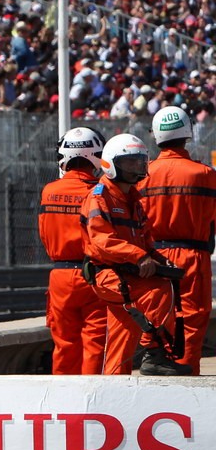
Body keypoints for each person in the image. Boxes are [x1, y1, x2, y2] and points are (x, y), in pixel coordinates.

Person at [80, 134, 189, 376]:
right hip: (107, 273)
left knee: (124, 332)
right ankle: (155, 355)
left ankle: (113, 385)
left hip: (124, 272)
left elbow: (144, 240)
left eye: (140, 161)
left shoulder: (134, 200)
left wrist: (160, 260)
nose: (138, 166)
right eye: (130, 162)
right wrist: (139, 257)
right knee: (159, 291)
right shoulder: (99, 196)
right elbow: (102, 241)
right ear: (111, 164)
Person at [137, 105, 216, 374]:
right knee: (192, 319)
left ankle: (161, 372)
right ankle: (187, 379)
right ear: (187, 133)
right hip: (193, 257)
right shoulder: (205, 175)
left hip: (153, 257)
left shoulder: (142, 175)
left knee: (159, 316)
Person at [38, 127, 108, 374]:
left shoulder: (49, 191)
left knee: (64, 344)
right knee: (95, 344)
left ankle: (63, 403)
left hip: (60, 277)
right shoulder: (100, 192)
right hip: (94, 276)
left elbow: (44, 234)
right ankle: (94, 401)